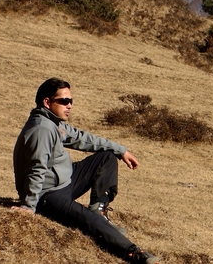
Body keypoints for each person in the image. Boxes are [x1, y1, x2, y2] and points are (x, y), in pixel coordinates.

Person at [12, 77, 160, 264]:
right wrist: (28, 206)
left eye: (71, 101)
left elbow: (82, 138)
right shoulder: (42, 129)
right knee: (88, 221)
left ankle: (99, 210)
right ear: (47, 102)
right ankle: (134, 253)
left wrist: (120, 150)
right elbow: (36, 169)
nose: (69, 105)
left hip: (65, 180)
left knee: (106, 157)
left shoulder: (53, 122)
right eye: (64, 101)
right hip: (49, 195)